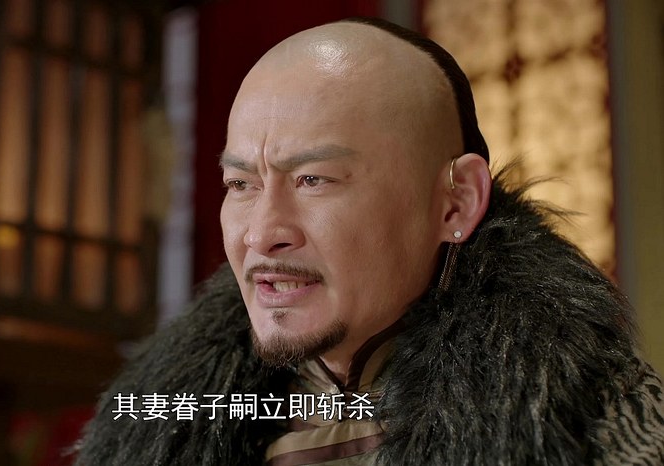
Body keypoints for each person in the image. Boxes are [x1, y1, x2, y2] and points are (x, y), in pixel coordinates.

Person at [74, 17, 664, 465]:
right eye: (240, 184)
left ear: (455, 203)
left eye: (314, 180)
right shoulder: (171, 421)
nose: (261, 233)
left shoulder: (596, 420)